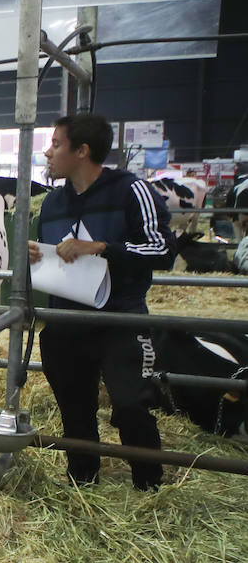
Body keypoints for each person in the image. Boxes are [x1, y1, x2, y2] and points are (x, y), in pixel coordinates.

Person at [27, 113, 175, 490]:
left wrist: (103, 248)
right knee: (75, 410)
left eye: (56, 144)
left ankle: (148, 485)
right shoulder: (52, 203)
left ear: (82, 151)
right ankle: (82, 480)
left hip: (120, 320)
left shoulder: (131, 190)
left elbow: (162, 249)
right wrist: (37, 255)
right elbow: (60, 257)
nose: (47, 152)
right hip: (65, 322)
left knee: (130, 405)